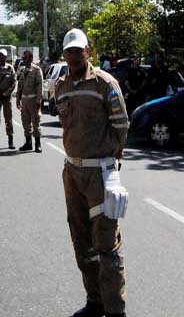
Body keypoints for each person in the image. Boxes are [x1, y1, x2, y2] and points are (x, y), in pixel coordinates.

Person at [56, 28, 128, 317]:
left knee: (106, 243)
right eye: (69, 51)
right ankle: (95, 301)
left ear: (88, 51)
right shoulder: (61, 85)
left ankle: (115, 310)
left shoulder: (104, 83)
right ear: (65, 54)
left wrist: (111, 160)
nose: (74, 55)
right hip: (72, 172)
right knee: (81, 241)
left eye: (79, 50)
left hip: (100, 173)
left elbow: (121, 125)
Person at [16, 49, 44, 152]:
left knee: (35, 122)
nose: (23, 59)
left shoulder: (36, 70)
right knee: (25, 122)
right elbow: (20, 86)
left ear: (31, 58)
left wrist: (38, 100)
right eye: (23, 58)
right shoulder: (23, 70)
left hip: (33, 100)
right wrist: (18, 99)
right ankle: (28, 143)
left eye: (25, 58)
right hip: (24, 100)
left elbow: (40, 86)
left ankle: (37, 144)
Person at [0, 48, 17, 150]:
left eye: (3, 56)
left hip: (7, 97)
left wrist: (6, 93)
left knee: (8, 119)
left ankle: (10, 141)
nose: (1, 57)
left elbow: (14, 83)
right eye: (0, 55)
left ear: (6, 57)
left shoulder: (10, 68)